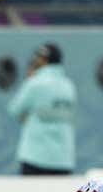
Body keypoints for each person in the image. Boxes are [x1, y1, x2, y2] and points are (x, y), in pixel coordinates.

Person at [8, 43, 77, 175]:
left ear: (43, 60)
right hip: (63, 158)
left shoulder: (34, 83)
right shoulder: (69, 86)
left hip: (35, 157)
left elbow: (14, 109)